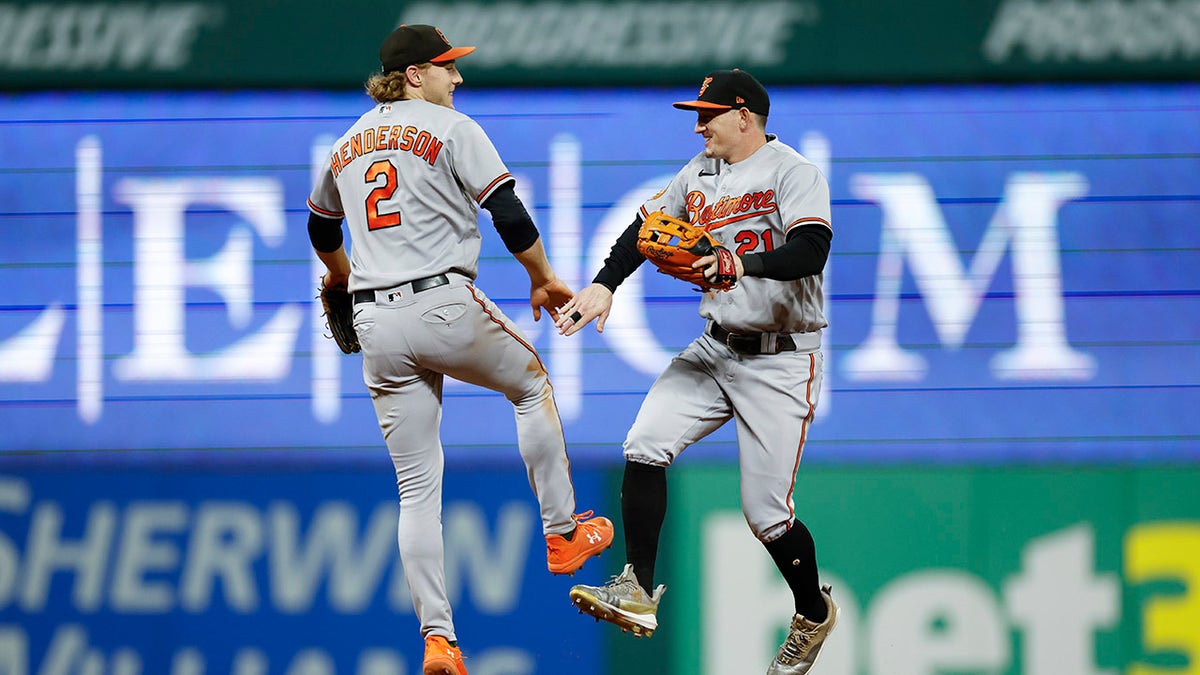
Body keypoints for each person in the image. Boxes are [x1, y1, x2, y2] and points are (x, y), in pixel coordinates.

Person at [306, 24, 614, 675]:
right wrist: (541, 276)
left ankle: (439, 639)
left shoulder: (344, 144)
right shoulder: (453, 127)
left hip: (376, 326)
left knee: (417, 489)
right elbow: (510, 215)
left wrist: (338, 276)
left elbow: (319, 223)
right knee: (530, 384)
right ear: (414, 75)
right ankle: (562, 534)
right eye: (447, 67)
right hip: (440, 301)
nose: (458, 78)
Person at [555, 69, 838, 674]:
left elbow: (812, 249)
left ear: (744, 115)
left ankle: (812, 612)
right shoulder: (699, 172)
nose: (698, 123)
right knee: (643, 445)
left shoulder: (794, 171)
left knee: (767, 516)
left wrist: (741, 262)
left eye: (708, 113)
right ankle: (636, 587)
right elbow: (647, 228)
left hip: (781, 359)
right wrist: (605, 285)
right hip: (714, 349)